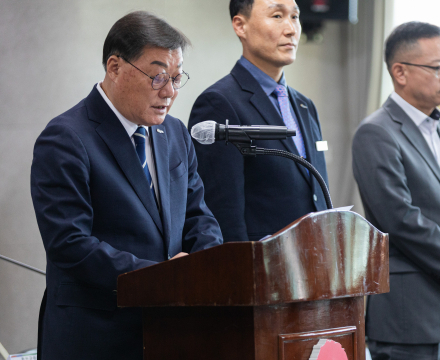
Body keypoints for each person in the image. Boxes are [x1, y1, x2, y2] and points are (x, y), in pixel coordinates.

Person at [30, 11, 223, 360]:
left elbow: (198, 216)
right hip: (97, 337)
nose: (170, 92)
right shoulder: (65, 138)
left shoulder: (175, 133)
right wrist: (165, 278)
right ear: (115, 67)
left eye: (177, 78)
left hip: (171, 332)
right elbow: (70, 245)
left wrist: (205, 268)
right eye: (158, 76)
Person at [352, 22, 440, 360]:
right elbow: (400, 218)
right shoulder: (376, 133)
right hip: (414, 318)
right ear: (400, 72)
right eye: (437, 68)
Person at [188, 0, 328, 243]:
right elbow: (222, 213)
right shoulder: (218, 103)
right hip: (260, 267)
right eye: (277, 16)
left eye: (294, 17)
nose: (291, 29)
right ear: (240, 25)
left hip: (314, 263)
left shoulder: (306, 105)